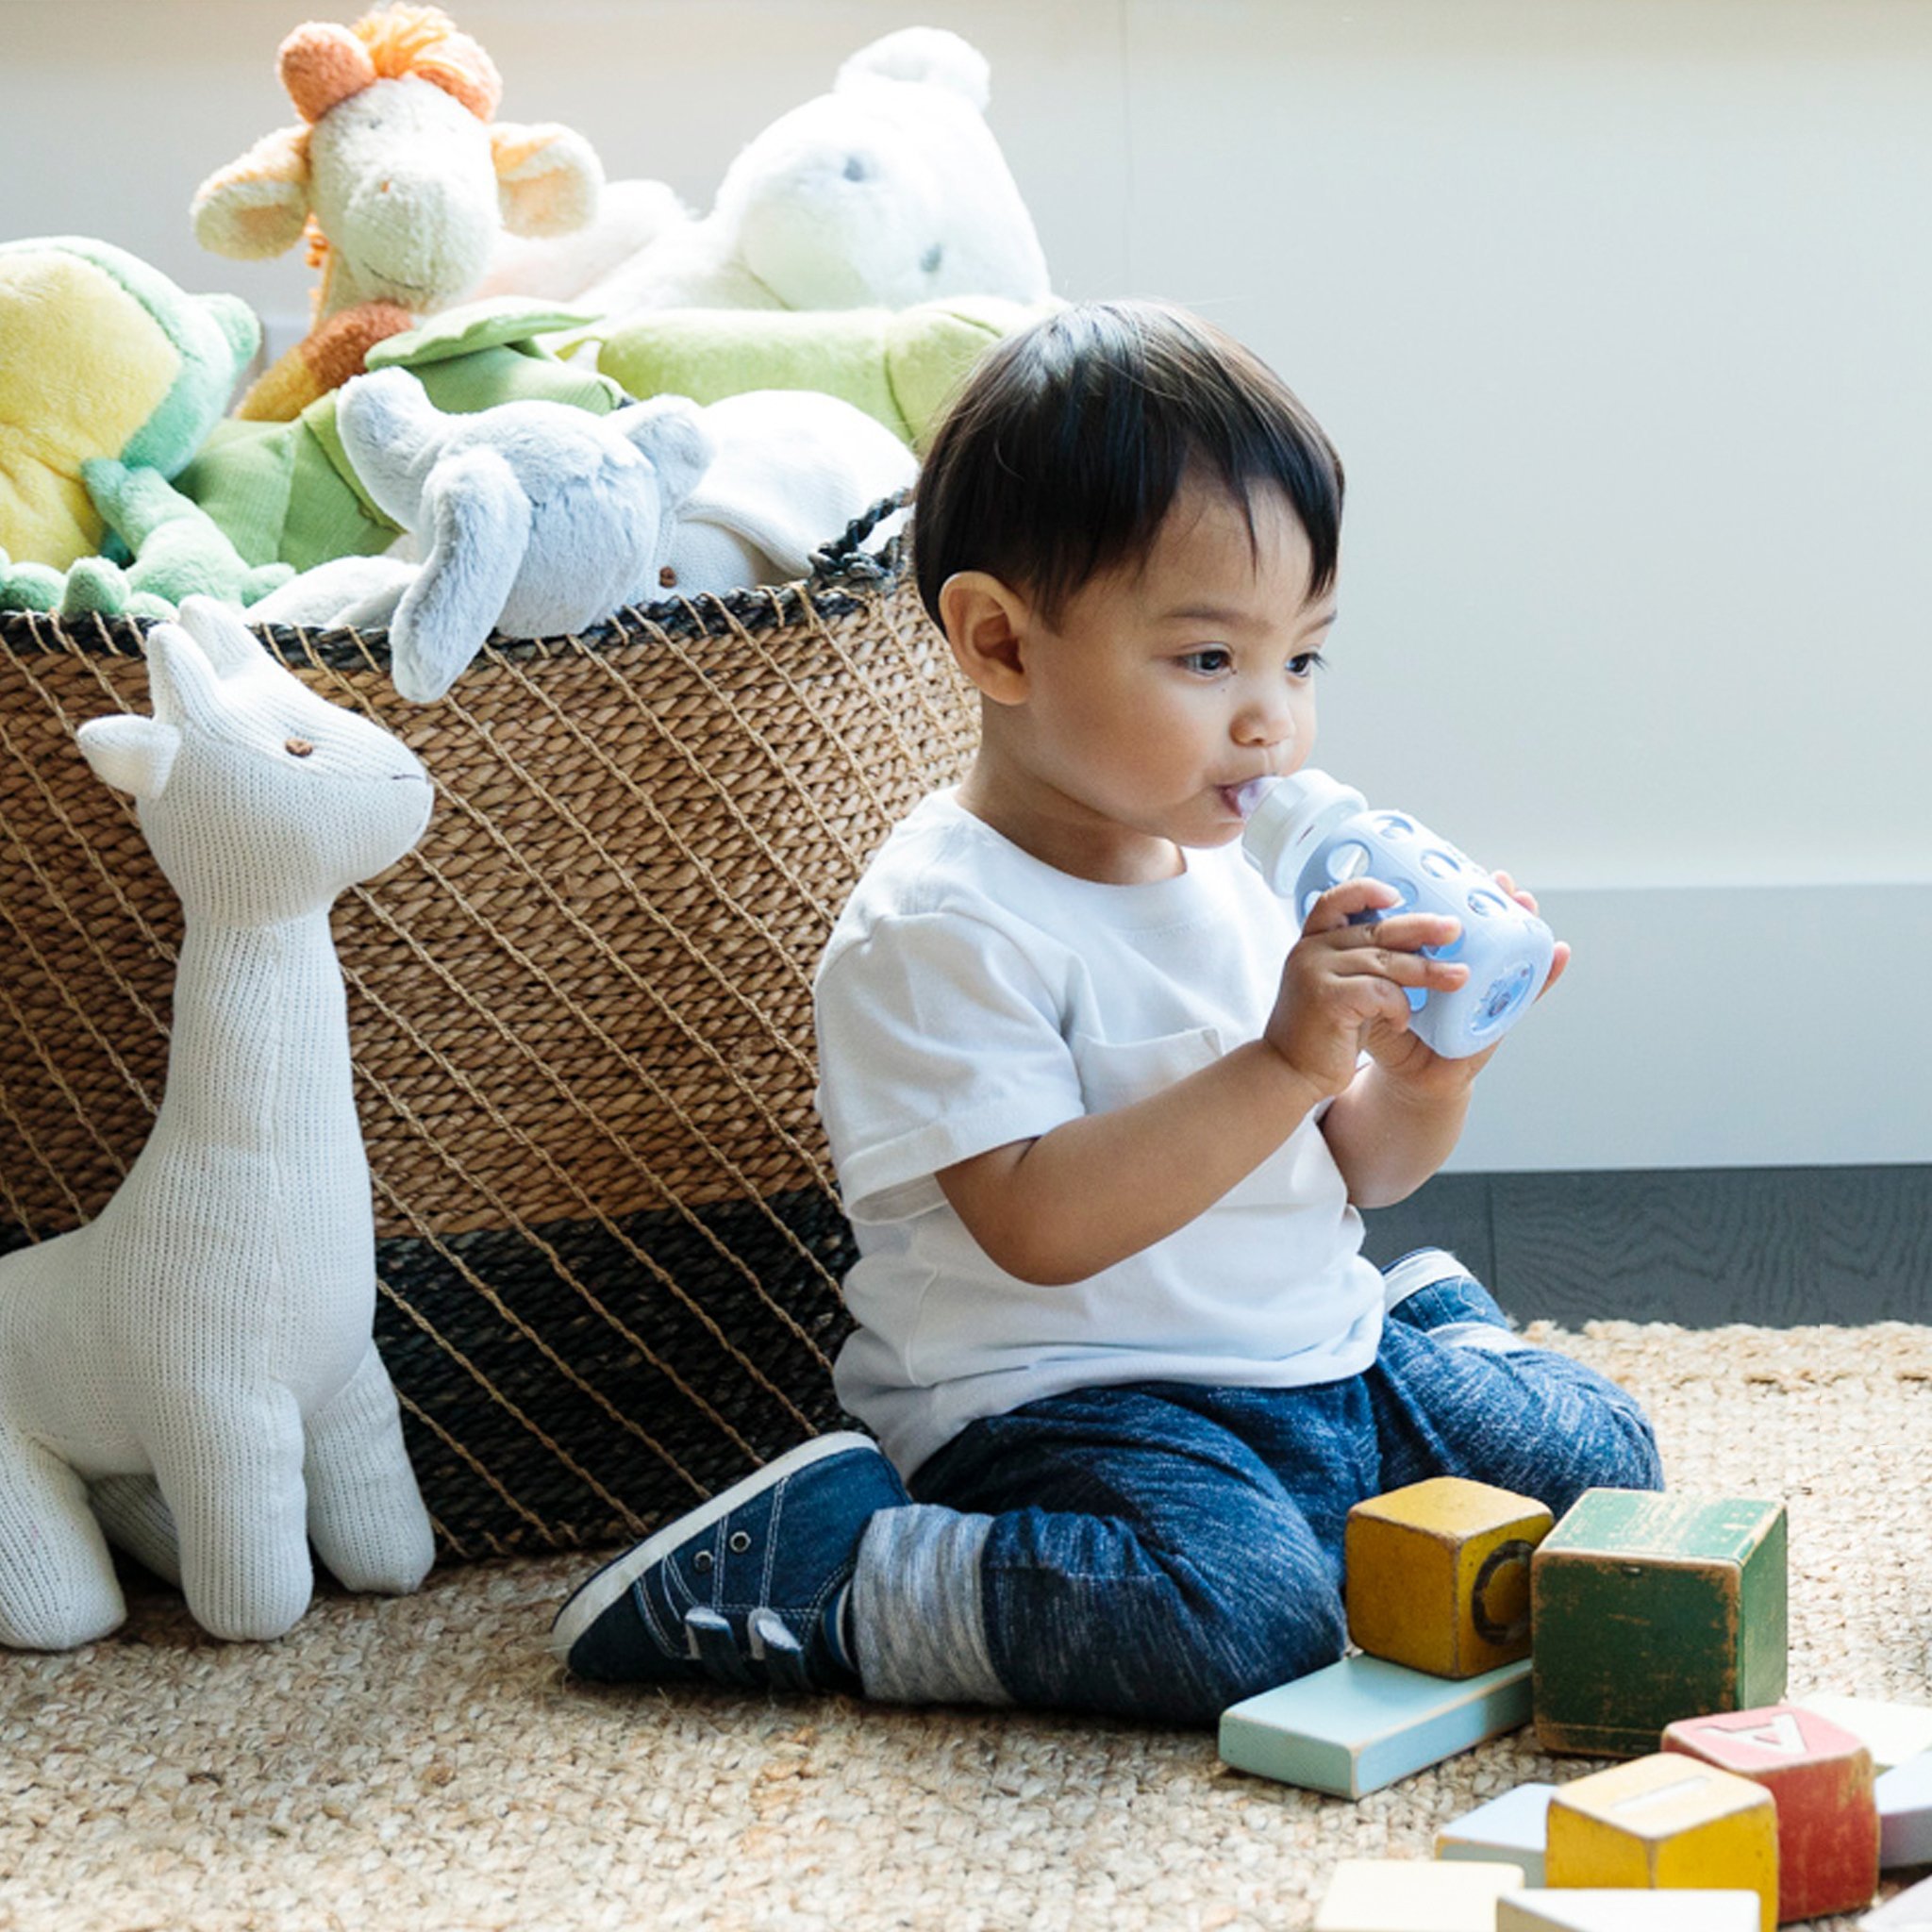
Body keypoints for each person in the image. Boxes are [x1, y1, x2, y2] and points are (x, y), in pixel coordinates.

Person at [550, 299, 1662, 1724]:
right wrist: (1284, 1059)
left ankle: (1421, 1327)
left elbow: (1357, 1171)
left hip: (1312, 1357)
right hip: (1072, 1405)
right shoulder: (944, 924)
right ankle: (829, 1570)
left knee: (1607, 1474)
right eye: (1209, 662)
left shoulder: (1233, 869)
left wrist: (1425, 1077)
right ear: (1002, 646)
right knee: (1244, 1620)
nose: (1272, 720)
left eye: (1301, 659)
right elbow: (1042, 1227)